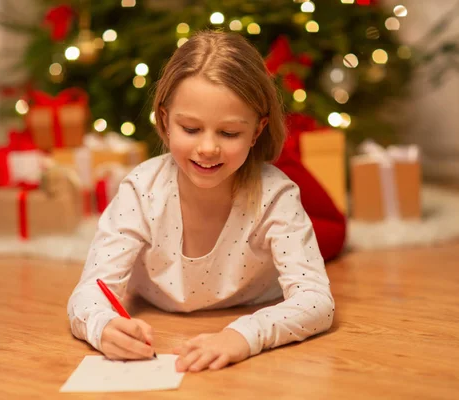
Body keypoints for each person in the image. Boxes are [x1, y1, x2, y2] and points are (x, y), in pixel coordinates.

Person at [67, 30, 335, 373]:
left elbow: (317, 302)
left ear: (257, 130)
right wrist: (102, 326)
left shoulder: (276, 195)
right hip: (157, 317)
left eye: (228, 133)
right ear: (164, 119)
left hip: (252, 310)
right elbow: (90, 290)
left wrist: (244, 335)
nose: (208, 148)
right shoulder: (141, 190)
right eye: (191, 129)